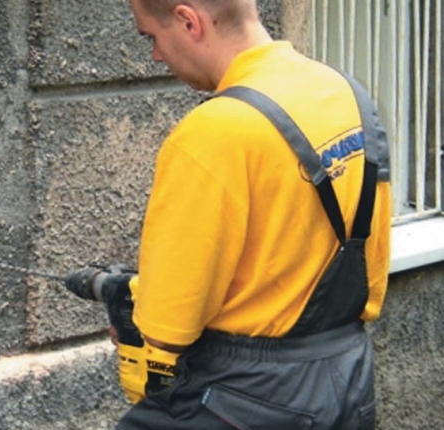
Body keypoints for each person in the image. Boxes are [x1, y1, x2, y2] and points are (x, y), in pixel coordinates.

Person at [67, 0, 392, 428]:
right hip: (346, 379)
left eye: (151, 37)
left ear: (188, 20)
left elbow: (166, 330)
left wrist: (139, 315)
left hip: (245, 396)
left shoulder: (212, 132)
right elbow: (368, 264)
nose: (156, 55)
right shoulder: (344, 92)